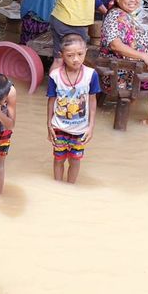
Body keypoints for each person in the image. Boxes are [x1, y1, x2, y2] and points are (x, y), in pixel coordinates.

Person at [47, 34, 100, 184]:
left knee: (75, 161)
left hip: (80, 129)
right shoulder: (55, 76)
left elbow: (92, 100)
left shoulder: (91, 75)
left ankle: (70, 188)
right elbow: (51, 101)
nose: (75, 59)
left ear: (86, 52)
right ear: (61, 55)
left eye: (80, 54)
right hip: (59, 127)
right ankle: (57, 188)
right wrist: (48, 124)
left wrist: (91, 126)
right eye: (70, 55)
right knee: (58, 159)